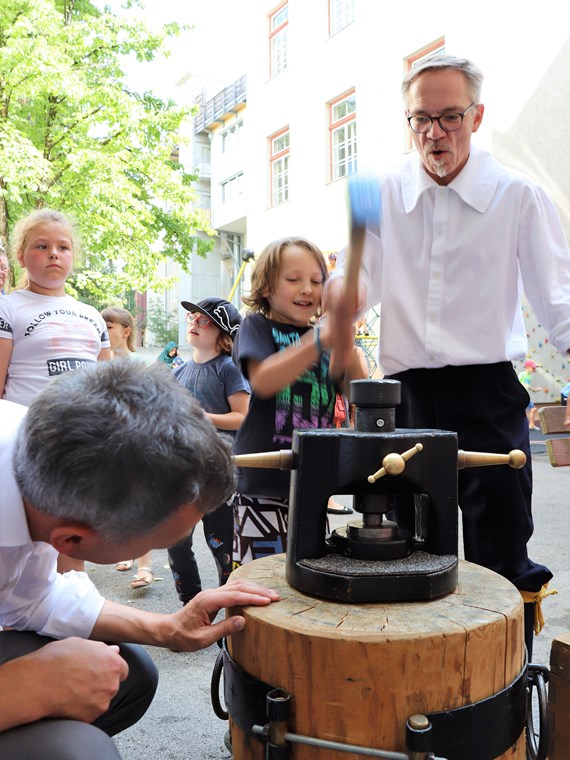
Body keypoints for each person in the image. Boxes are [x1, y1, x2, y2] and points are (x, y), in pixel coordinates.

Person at [324, 54, 570, 657]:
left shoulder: (519, 195)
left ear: (477, 116)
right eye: (421, 120)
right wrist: (339, 292)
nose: (435, 133)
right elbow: (359, 289)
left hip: (487, 393)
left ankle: (503, 683)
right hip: (403, 394)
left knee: (500, 541)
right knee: (406, 542)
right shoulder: (378, 194)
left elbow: (558, 299)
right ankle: (419, 675)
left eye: (450, 117)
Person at [0, 360, 278, 758]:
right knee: (78, 750)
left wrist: (168, 629)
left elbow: (31, 599)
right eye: (163, 541)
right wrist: (24, 689)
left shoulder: (40, 451)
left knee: (130, 672)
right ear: (72, 541)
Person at [232, 236, 367, 566]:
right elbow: (263, 381)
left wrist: (344, 335)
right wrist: (321, 338)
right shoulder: (256, 326)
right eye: (293, 280)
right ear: (266, 287)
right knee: (260, 580)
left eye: (316, 281)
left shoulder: (327, 336)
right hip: (262, 484)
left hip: (312, 482)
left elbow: (357, 389)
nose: (306, 288)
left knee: (307, 573)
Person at [168, 297, 250, 604]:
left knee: (222, 548)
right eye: (191, 318)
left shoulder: (229, 368)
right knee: (175, 543)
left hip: (219, 473)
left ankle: (228, 607)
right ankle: (190, 606)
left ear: (226, 333)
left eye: (204, 320)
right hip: (182, 473)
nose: (193, 324)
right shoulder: (177, 371)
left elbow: (242, 416)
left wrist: (203, 416)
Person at [0, 208, 110, 405]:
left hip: (88, 429)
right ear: (21, 257)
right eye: (42, 247)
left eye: (63, 248)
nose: (53, 254)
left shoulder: (93, 316)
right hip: (26, 429)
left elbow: (108, 390)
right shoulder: (7, 308)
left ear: (73, 257)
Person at [101, 306, 154, 589]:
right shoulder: (99, 361)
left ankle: (146, 565)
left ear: (125, 331)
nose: (103, 331)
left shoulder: (136, 364)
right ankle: (129, 552)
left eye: (108, 326)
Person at [518, 359, 544, 430]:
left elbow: (526, 386)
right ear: (527, 367)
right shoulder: (522, 374)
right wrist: (533, 389)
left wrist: (534, 389)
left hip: (524, 395)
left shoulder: (529, 376)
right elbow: (519, 383)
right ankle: (530, 425)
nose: (534, 369)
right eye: (533, 368)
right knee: (532, 409)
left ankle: (531, 425)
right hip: (521, 395)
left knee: (531, 409)